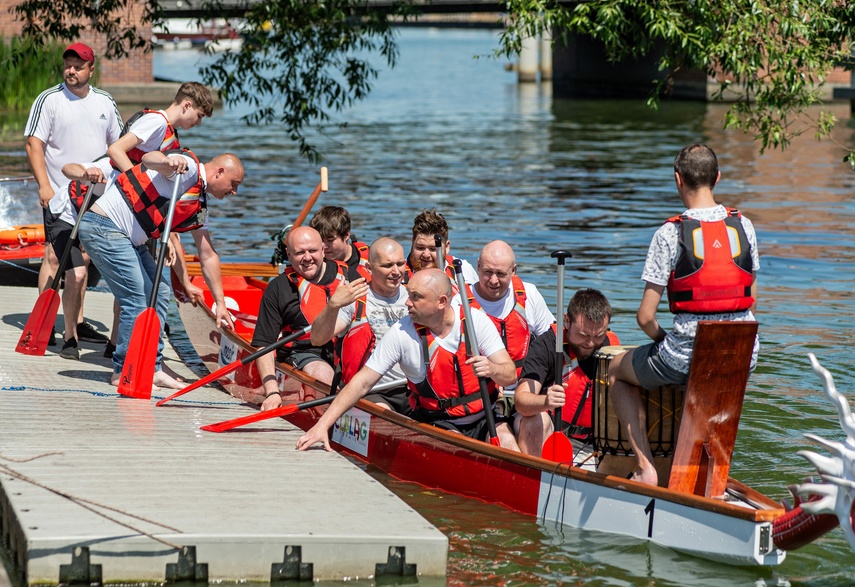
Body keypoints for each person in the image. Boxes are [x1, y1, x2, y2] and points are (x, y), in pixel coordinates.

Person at [607, 143, 760, 486]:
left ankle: (646, 467)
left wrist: (665, 340)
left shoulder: (670, 233)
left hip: (686, 355)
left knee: (616, 372)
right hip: (741, 352)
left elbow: (645, 317)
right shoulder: (744, 226)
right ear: (717, 178)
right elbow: (752, 298)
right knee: (709, 382)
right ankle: (712, 474)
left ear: (678, 180)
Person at [296, 268, 521, 451]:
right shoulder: (402, 333)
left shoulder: (475, 322)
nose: (407, 303)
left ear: (442, 302)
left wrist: (491, 368)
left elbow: (509, 373)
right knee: (461, 448)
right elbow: (362, 382)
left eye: (416, 297)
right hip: (439, 423)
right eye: (409, 294)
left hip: (486, 418)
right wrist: (322, 426)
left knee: (509, 443)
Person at [77, 148, 244, 390]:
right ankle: (122, 370)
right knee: (135, 300)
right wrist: (168, 160)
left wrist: (219, 302)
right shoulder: (187, 168)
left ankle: (151, 367)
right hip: (104, 228)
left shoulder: (199, 203)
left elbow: (207, 255)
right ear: (219, 172)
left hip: (128, 239)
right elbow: (148, 159)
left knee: (160, 293)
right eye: (234, 183)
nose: (235, 192)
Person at [101, 81, 214, 358]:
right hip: (122, 207)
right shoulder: (156, 122)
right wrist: (137, 188)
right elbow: (115, 150)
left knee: (140, 288)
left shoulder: (169, 134)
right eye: (198, 116)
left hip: (136, 211)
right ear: (186, 105)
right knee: (135, 290)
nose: (198, 123)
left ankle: (119, 346)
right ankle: (127, 352)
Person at [24, 42, 123, 353]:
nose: (71, 70)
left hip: (95, 198)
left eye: (78, 66)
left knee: (84, 262)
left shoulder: (106, 103)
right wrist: (44, 186)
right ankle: (47, 324)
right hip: (59, 197)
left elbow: (119, 148)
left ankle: (75, 324)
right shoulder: (50, 100)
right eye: (68, 64)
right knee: (55, 258)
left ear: (90, 70)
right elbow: (33, 144)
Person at [514, 289, 619, 463]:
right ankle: (538, 477)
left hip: (593, 443)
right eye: (583, 335)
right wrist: (545, 401)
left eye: (598, 335)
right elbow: (521, 401)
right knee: (533, 419)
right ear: (567, 321)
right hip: (552, 435)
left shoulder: (610, 347)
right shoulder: (546, 345)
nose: (590, 343)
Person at [309, 237, 410, 413]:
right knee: (387, 416)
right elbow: (317, 339)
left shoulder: (415, 296)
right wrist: (332, 306)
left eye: (400, 264)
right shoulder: (355, 299)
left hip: (413, 389)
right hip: (371, 391)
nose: (396, 272)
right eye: (387, 266)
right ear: (369, 268)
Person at [254, 226, 348, 410]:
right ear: (288, 254)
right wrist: (272, 391)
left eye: (312, 251)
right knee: (322, 373)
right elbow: (264, 344)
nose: (307, 258)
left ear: (323, 249)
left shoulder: (348, 276)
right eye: (299, 253)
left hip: (345, 349)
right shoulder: (278, 289)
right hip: (305, 352)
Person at [466, 240, 554, 382]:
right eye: (488, 272)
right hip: (485, 391)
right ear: (478, 266)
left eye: (500, 274)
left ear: (513, 270)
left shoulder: (529, 294)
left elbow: (551, 341)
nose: (493, 281)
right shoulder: (460, 303)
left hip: (525, 385)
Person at [406, 208, 477, 284]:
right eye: (420, 248)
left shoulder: (464, 270)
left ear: (447, 247)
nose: (426, 255)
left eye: (433, 249)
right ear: (412, 243)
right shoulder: (397, 275)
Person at [308, 205, 371, 282]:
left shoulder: (372, 258)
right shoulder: (309, 263)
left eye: (330, 239)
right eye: (320, 240)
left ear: (346, 235)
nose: (323, 246)